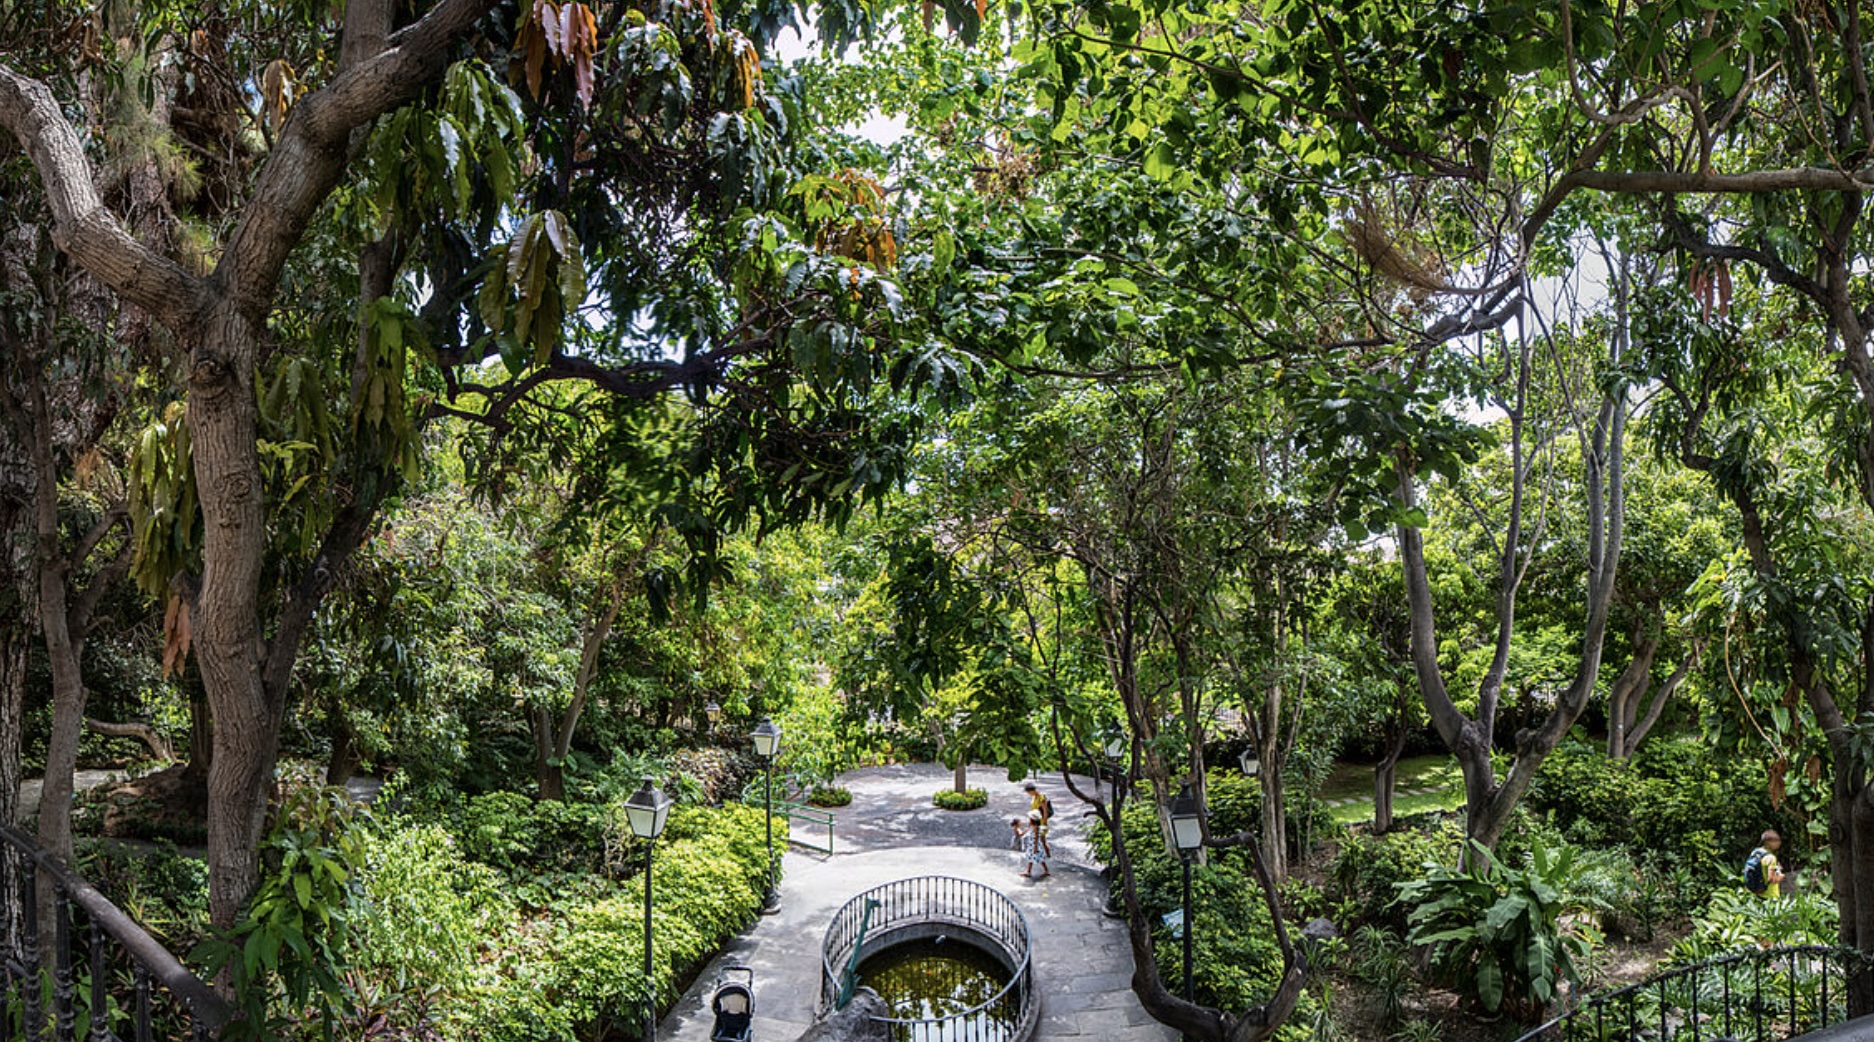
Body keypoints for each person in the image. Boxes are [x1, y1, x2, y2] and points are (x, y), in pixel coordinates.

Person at [1745, 830, 1786, 898]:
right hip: (1770, 895)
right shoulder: (1771, 858)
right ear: (1768, 842)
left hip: (1759, 892)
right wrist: (1781, 877)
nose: (1779, 843)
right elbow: (1771, 879)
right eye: (1776, 840)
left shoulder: (1756, 852)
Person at [1022, 781, 1053, 858]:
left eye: (1029, 792)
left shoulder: (1041, 798)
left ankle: (1046, 855)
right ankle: (1044, 855)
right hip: (1035, 820)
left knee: (1042, 840)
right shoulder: (1034, 798)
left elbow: (1045, 811)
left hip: (1041, 821)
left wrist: (1044, 823)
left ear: (1032, 791)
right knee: (1038, 839)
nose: (1029, 794)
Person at [1021, 809, 1050, 879]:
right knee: (1031, 858)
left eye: (1029, 819)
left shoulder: (1036, 828)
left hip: (1034, 845)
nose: (1028, 820)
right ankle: (1028, 871)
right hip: (1032, 845)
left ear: (1032, 821)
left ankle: (1046, 870)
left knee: (1039, 859)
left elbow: (1036, 837)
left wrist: (1035, 847)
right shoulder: (1032, 827)